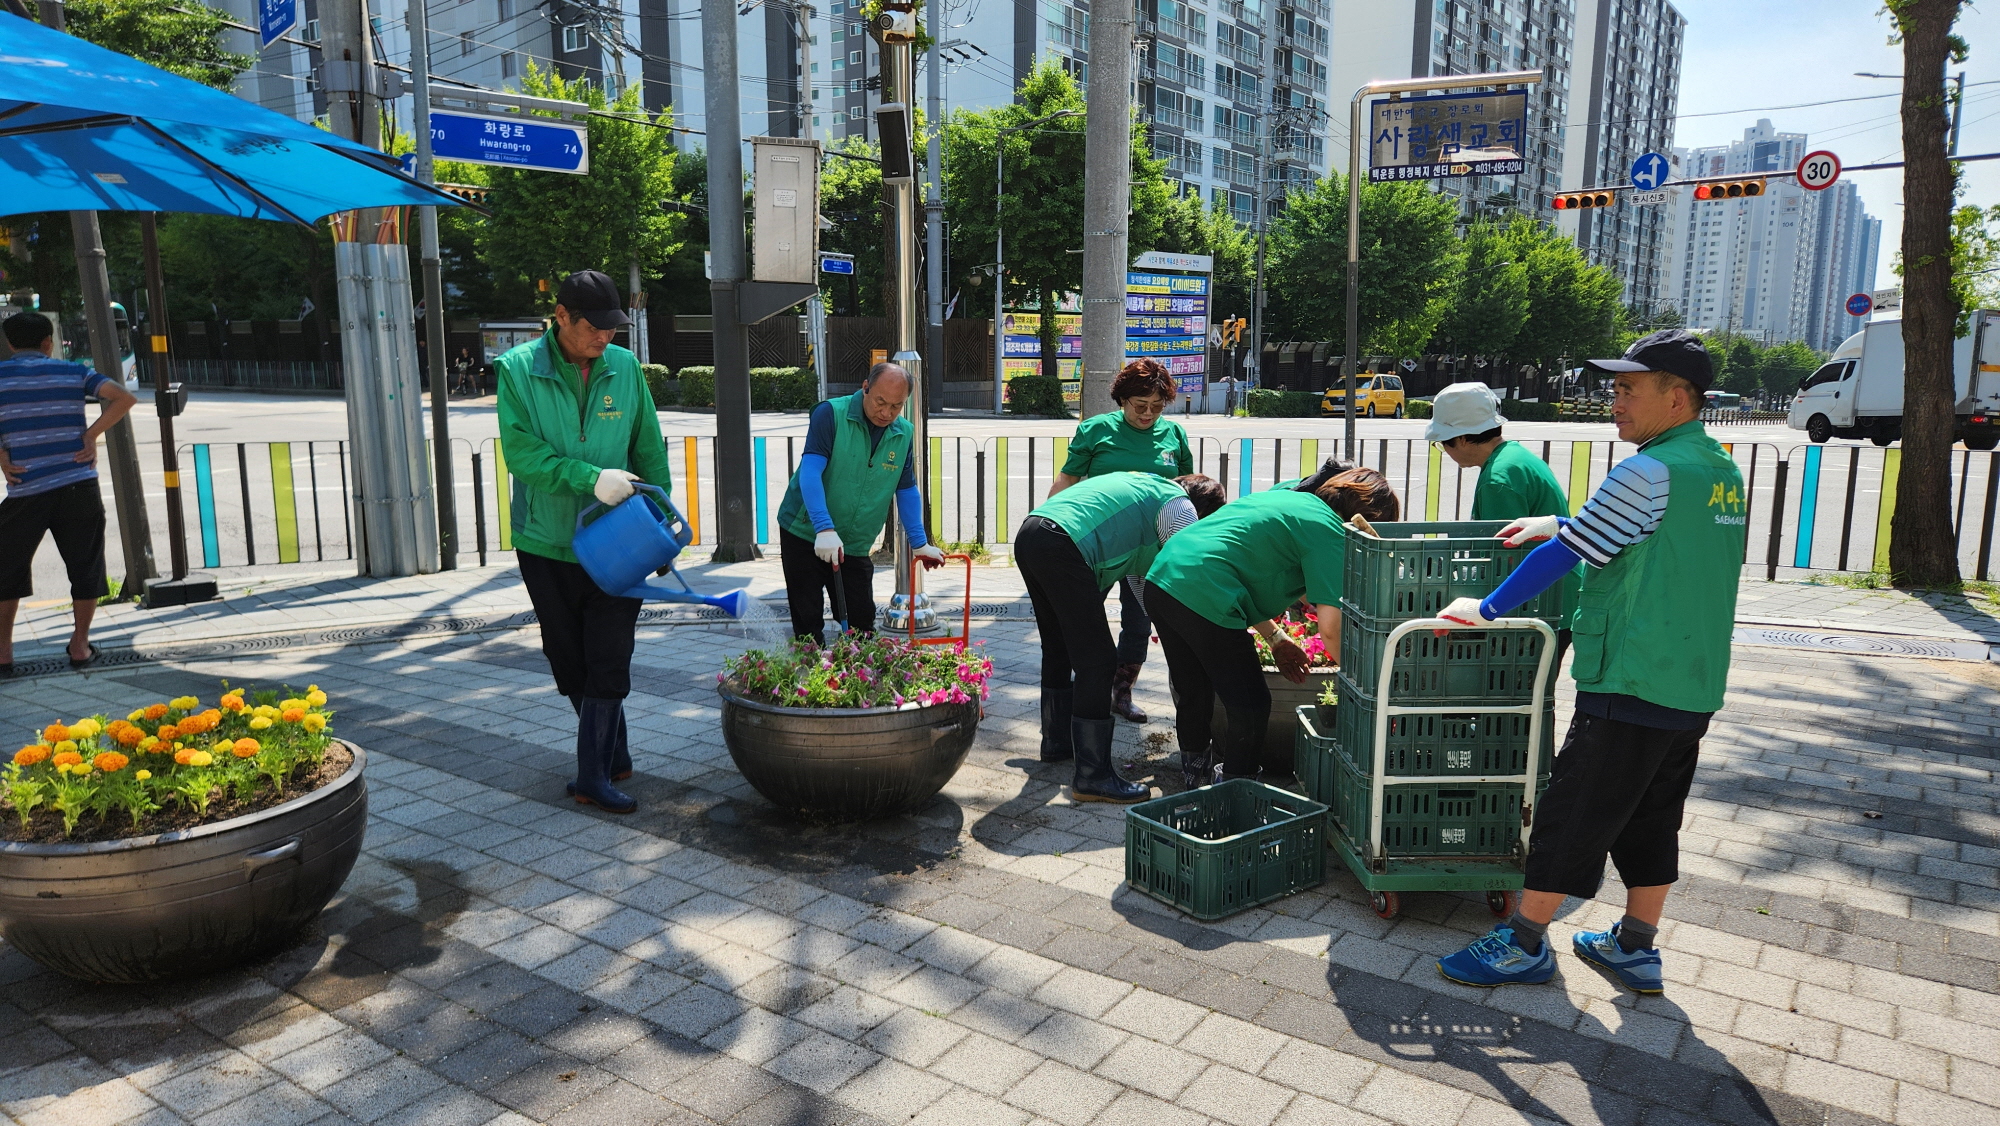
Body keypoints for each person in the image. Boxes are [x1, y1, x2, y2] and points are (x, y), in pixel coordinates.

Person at [1432, 330, 1745, 995]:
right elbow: (1639, 536)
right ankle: (1635, 946)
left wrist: (1484, 609)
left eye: (1631, 388)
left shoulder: (1647, 469)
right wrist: (1558, 522)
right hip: (1691, 683)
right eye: (1615, 387)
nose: (1616, 401)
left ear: (1679, 396)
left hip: (1631, 675)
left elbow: (1565, 558)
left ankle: (1522, 944)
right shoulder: (1716, 469)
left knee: (1572, 814)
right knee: (1652, 816)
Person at [496, 270, 674, 814]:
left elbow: (649, 447)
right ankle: (611, 750)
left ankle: (591, 776)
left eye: (612, 328)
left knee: (610, 653)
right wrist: (588, 477)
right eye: (593, 327)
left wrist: (663, 523)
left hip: (618, 539)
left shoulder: (624, 368)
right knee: (568, 657)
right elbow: (522, 455)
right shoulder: (518, 370)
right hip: (546, 542)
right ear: (562, 318)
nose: (604, 338)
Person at [1143, 469, 1401, 786]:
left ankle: (1193, 778)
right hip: (1203, 590)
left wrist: (1277, 640)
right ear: (1368, 514)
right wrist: (1372, 683)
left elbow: (1245, 566)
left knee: (1194, 690)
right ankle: (1235, 797)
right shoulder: (1329, 529)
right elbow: (1332, 631)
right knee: (1250, 705)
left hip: (1163, 580)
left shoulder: (1288, 497)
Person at [1017, 471, 1226, 801]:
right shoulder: (1180, 507)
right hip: (1062, 543)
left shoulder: (1149, 500)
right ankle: (1092, 777)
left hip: (1034, 532)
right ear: (1203, 512)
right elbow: (1189, 572)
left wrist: (1168, 628)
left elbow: (1145, 591)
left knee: (1058, 646)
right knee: (1098, 662)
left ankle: (1057, 743)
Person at [1048, 358, 1194, 724]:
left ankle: (1122, 692)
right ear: (1122, 399)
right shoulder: (1096, 430)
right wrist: (1049, 528)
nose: (1148, 415)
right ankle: (1079, 694)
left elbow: (1189, 490)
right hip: (1099, 546)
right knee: (1081, 620)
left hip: (1149, 550)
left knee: (1140, 620)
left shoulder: (1173, 435)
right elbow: (1067, 481)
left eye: (1157, 407)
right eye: (1140, 406)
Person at [0, 311, 138, 676]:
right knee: (86, 564)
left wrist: (1, 454)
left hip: (24, 489)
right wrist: (91, 435)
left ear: (10, 343)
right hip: (78, 485)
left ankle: (3, 652)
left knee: (6, 568)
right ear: (49, 343)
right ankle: (80, 645)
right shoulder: (74, 372)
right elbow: (123, 398)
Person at [776, 362, 944, 643]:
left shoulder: (903, 433)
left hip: (854, 541)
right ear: (865, 387)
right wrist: (824, 528)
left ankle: (856, 679)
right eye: (880, 402)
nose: (886, 413)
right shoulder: (830, 414)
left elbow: (906, 489)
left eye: (896, 406)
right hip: (805, 532)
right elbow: (810, 471)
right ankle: (809, 677)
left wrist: (919, 542)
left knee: (861, 623)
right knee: (807, 621)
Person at [1428, 381, 1579, 661]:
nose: (1445, 451)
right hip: (1557, 596)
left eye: (1442, 443)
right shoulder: (1514, 457)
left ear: (1461, 438)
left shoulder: (1498, 479)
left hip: (1537, 603)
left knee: (1522, 696)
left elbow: (1503, 556)